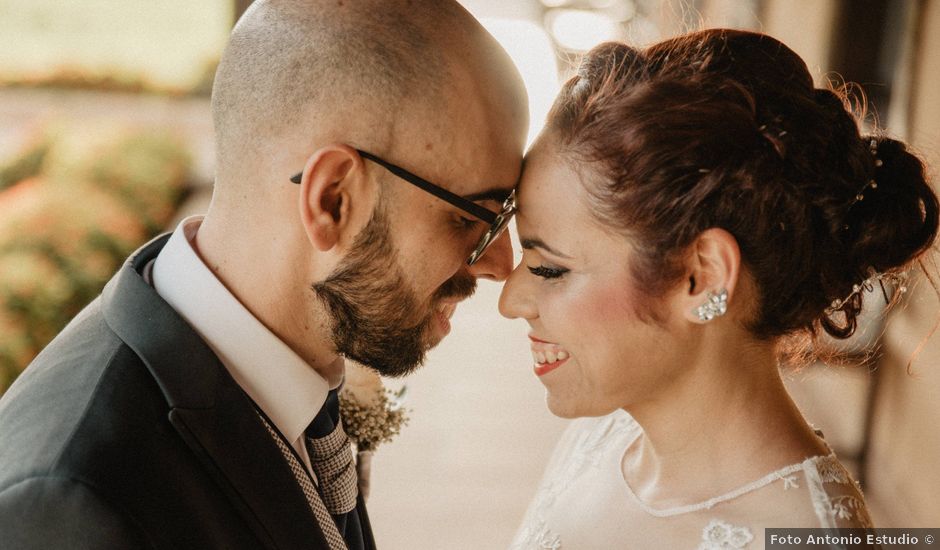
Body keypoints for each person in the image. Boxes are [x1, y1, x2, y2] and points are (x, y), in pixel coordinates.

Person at [0, 1, 527, 548]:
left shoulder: (293, 362)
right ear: (332, 201)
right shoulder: (72, 503)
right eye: (470, 218)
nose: (501, 265)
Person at [499, 29, 938, 548]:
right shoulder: (604, 437)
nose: (510, 302)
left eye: (551, 269)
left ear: (701, 275)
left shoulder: (799, 535)